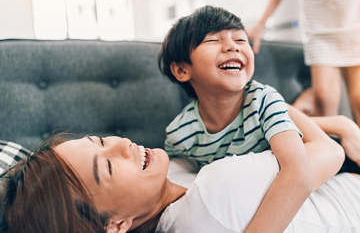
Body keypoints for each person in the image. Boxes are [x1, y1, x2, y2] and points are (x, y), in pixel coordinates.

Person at [1, 108, 360, 232]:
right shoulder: (218, 195)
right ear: (115, 225)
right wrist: (268, 101)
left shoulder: (174, 196)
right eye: (108, 165)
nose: (123, 144)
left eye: (99, 140)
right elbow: (329, 151)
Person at [158, 5, 313, 232]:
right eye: (213, 40)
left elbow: (299, 173)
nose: (232, 46)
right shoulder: (180, 133)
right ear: (182, 70)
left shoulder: (263, 100)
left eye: (241, 40)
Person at [246, 0, 360, 125]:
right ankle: (330, 143)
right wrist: (261, 24)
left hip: (354, 20)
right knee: (323, 98)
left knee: (359, 97)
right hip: (318, 26)